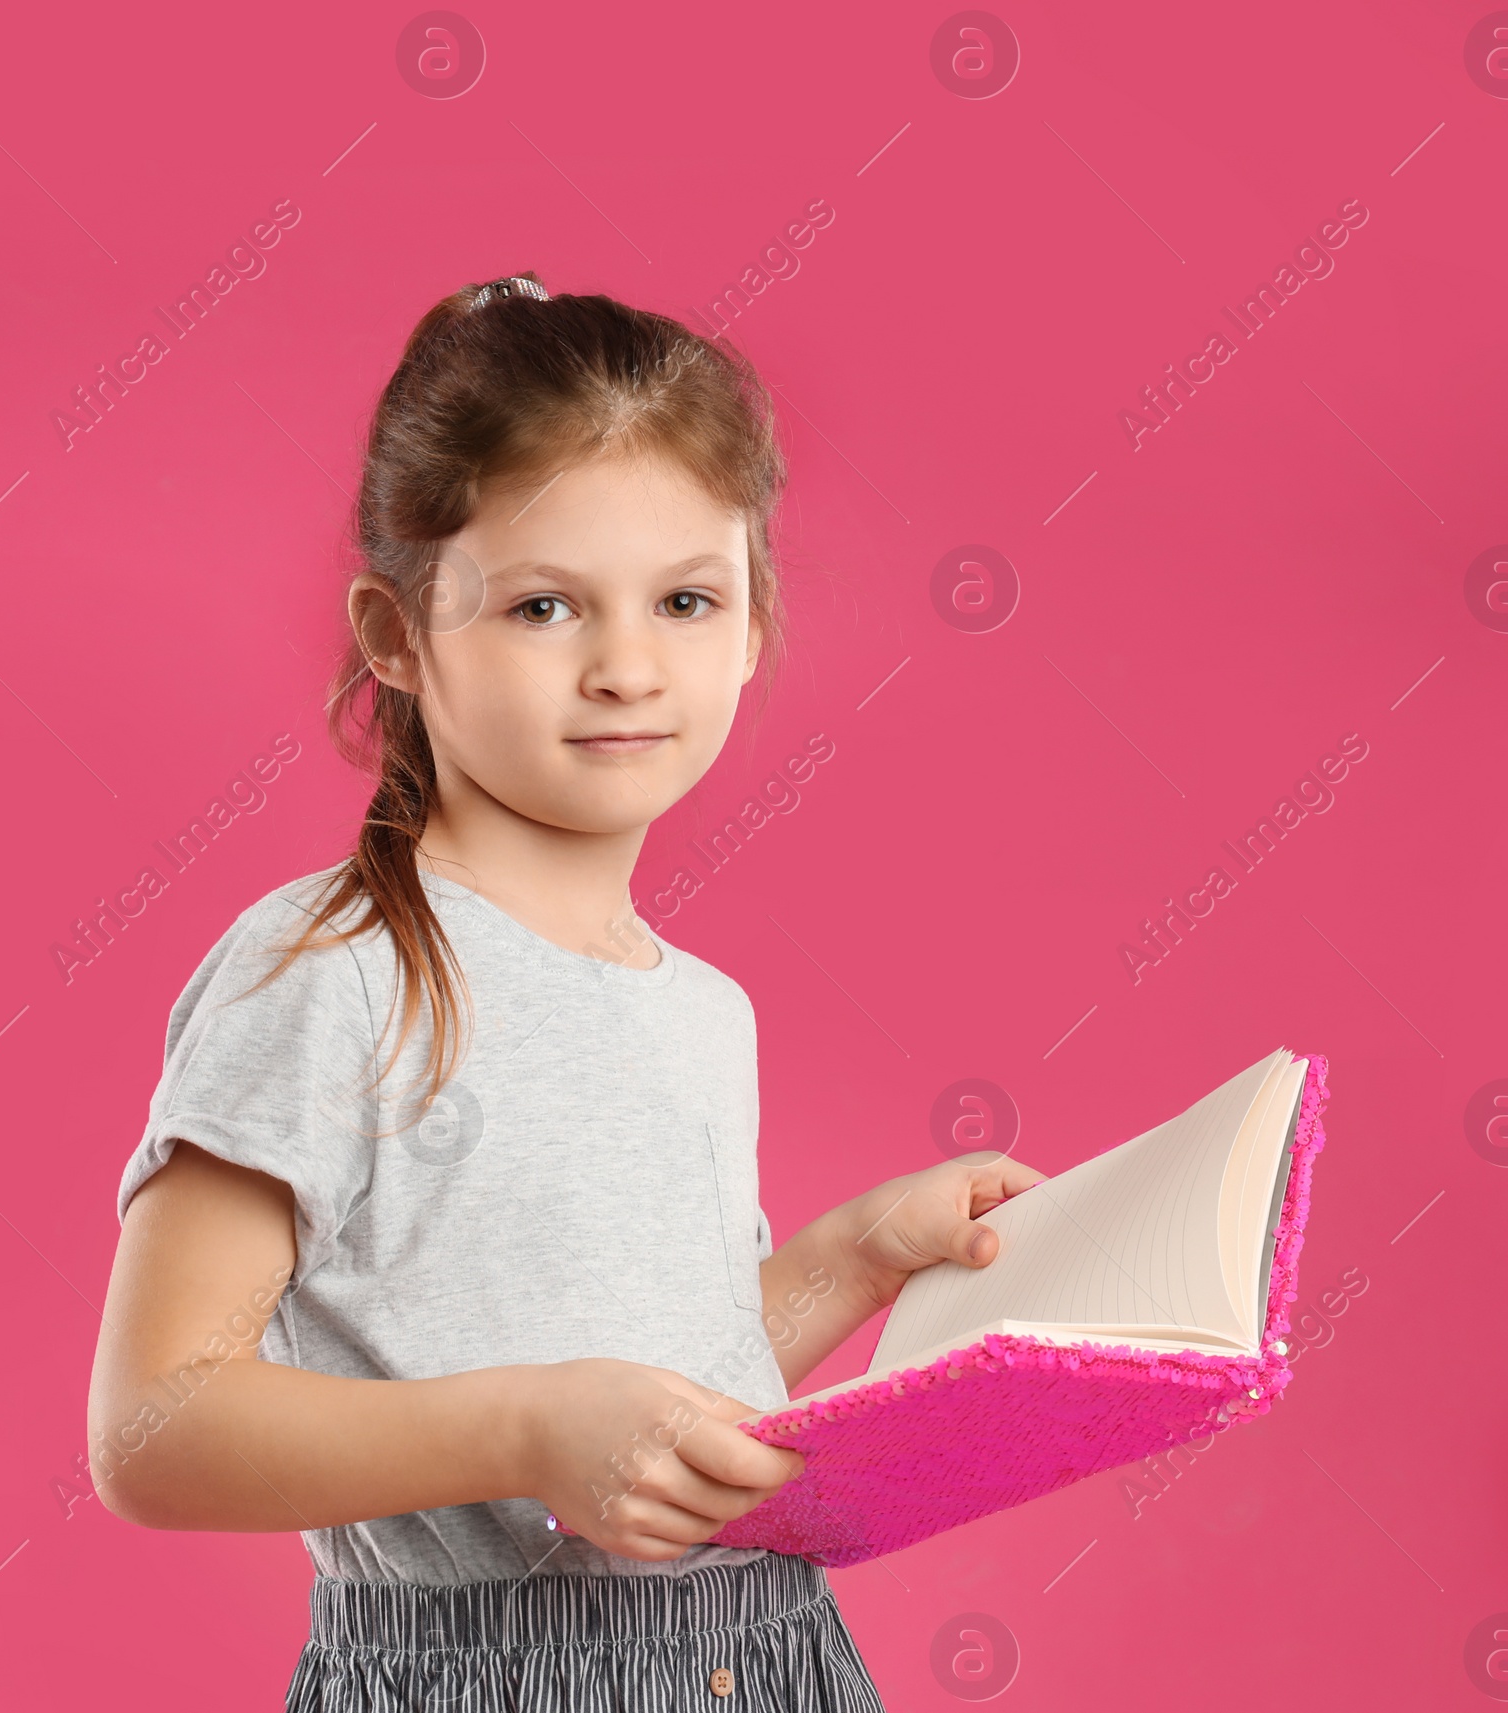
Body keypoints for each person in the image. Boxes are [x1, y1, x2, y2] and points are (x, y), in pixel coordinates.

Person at [87, 272, 1045, 1710]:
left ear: (751, 618)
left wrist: (859, 1254)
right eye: (545, 605)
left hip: (764, 1664)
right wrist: (532, 1431)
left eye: (685, 599)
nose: (626, 666)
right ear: (398, 636)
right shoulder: (334, 974)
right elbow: (152, 1428)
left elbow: (650, 1386)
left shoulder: (701, 1007)